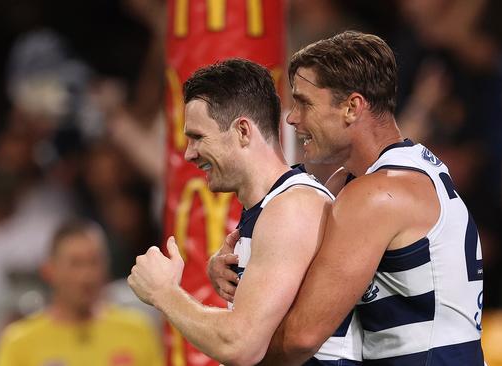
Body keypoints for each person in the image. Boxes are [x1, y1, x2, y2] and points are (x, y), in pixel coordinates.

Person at [211, 31, 486, 365]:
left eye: (305, 103)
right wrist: (241, 261)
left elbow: (302, 337)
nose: (292, 117)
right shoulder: (389, 174)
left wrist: (241, 349)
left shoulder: (375, 196)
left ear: (352, 108)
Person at [127, 59, 362, 365]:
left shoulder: (291, 208)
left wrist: (164, 293)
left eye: (198, 137)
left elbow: (240, 344)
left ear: (242, 131)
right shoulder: (271, 209)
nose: (188, 154)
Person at [0, 219, 163, 366]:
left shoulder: (137, 331)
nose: (86, 276)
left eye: (94, 262)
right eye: (76, 264)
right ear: (49, 271)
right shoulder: (19, 342)